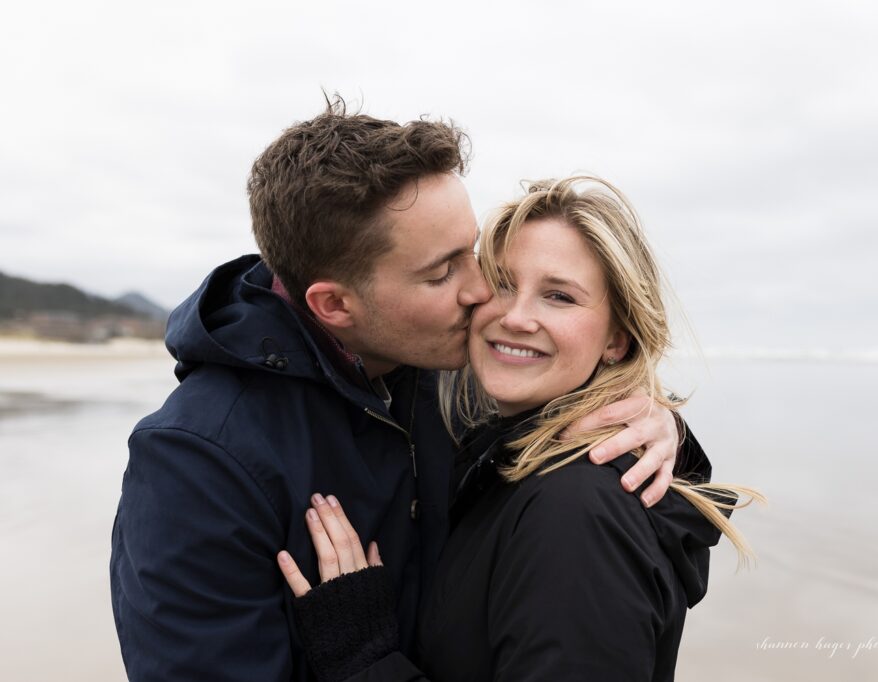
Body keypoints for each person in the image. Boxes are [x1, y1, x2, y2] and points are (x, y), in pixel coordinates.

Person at [109, 103, 687, 681]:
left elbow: (579, 420)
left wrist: (656, 428)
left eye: (474, 251)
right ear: (335, 305)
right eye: (442, 273)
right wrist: (362, 658)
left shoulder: (452, 370)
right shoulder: (197, 463)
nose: (485, 291)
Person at [279, 176, 763, 681]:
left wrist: (365, 660)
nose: (515, 316)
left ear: (617, 340)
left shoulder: (575, 512)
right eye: (504, 283)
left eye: (559, 296)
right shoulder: (506, 452)